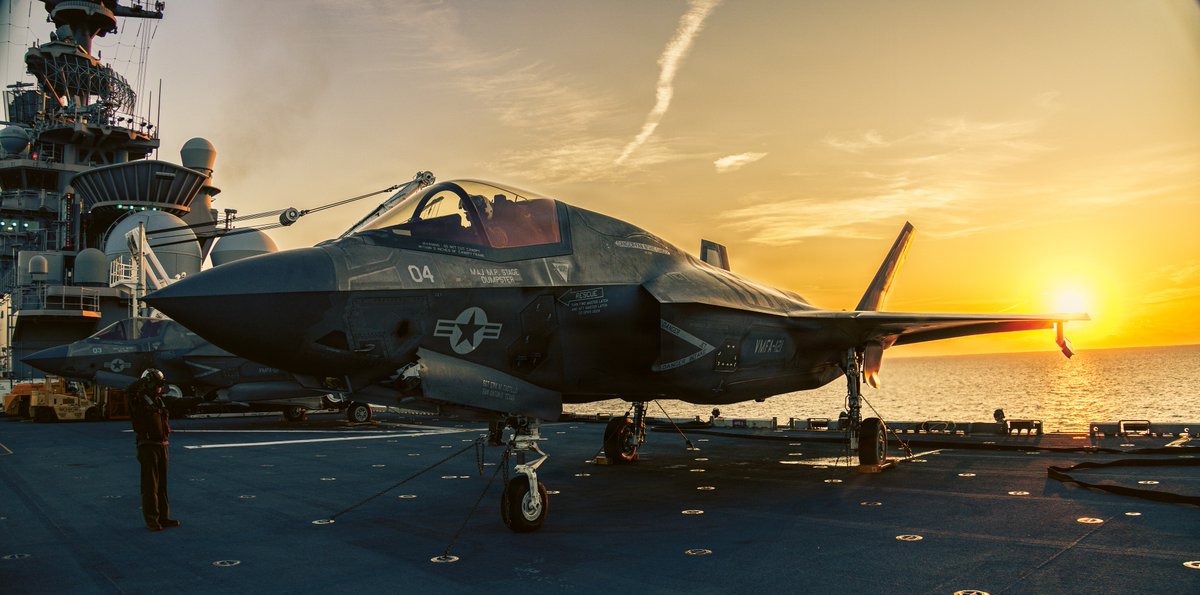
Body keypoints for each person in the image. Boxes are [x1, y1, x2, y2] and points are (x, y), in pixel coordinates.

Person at [128, 368, 179, 531]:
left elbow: (181, 402)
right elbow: (129, 391)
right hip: (147, 446)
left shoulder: (160, 401)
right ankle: (152, 520)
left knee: (162, 485)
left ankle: (164, 517)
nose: (160, 387)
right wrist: (145, 379)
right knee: (150, 486)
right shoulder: (138, 401)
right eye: (157, 384)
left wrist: (202, 399)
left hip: (162, 446)